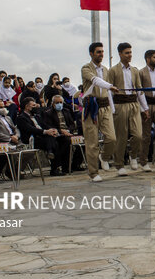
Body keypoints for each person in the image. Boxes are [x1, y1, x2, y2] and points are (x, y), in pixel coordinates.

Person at [108, 42, 149, 173]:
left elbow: (139, 90)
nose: (129, 55)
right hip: (120, 104)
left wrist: (145, 108)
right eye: (127, 53)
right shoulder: (113, 71)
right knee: (121, 136)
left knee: (138, 135)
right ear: (120, 54)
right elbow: (108, 90)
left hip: (133, 104)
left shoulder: (134, 71)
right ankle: (119, 164)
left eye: (130, 52)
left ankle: (133, 156)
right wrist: (112, 109)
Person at [81, 42, 119, 182]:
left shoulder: (105, 69)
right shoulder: (86, 68)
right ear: (91, 53)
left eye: (102, 52)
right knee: (92, 142)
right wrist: (110, 86)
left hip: (105, 107)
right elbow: (95, 80)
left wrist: (112, 107)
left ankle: (104, 157)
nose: (101, 54)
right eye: (98, 52)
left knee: (112, 138)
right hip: (91, 108)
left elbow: (108, 91)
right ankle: (93, 172)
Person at [16, 97, 63, 176]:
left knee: (57, 140)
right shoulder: (21, 118)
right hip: (32, 139)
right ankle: (54, 164)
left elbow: (44, 125)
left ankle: (51, 153)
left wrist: (52, 130)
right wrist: (46, 132)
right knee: (51, 139)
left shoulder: (36, 116)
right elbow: (31, 129)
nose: (36, 107)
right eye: (33, 106)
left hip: (43, 138)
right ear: (27, 107)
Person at [43, 95, 84, 172]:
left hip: (68, 133)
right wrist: (61, 131)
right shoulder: (48, 113)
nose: (59, 104)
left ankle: (75, 164)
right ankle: (65, 166)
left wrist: (68, 131)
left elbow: (72, 124)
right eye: (57, 102)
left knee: (83, 140)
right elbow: (48, 125)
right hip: (58, 134)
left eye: (60, 102)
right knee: (66, 141)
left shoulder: (66, 111)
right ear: (53, 103)